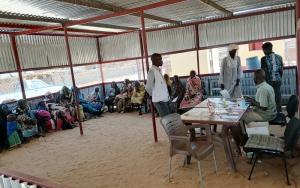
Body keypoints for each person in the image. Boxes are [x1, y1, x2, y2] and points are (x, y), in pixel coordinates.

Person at [145, 53, 171, 117]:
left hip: (164, 99)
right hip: (159, 100)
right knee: (166, 119)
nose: (161, 61)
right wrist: (154, 94)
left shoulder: (158, 70)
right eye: (160, 59)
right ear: (154, 61)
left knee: (169, 118)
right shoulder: (152, 71)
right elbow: (148, 87)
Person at [261, 42, 283, 112]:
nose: (263, 52)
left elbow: (264, 72)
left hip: (268, 81)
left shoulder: (263, 58)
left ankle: (271, 114)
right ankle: (279, 113)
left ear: (266, 49)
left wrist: (265, 82)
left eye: (263, 50)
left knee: (269, 99)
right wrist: (278, 78)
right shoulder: (279, 57)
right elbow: (281, 70)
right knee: (277, 98)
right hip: (278, 80)